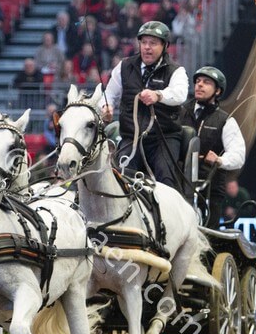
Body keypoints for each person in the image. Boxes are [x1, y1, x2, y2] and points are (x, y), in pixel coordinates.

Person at [100, 21, 189, 192]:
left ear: (165, 46)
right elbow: (109, 94)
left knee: (165, 176)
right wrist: (106, 107)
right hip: (131, 137)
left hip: (163, 138)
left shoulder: (176, 70)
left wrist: (159, 95)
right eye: (144, 42)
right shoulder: (124, 66)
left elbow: (180, 94)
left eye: (153, 43)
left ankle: (166, 209)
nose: (147, 47)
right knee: (121, 177)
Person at [179, 66, 246, 227]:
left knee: (208, 237)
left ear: (217, 91)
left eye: (206, 82)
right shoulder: (179, 113)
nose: (200, 85)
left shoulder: (226, 121)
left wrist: (220, 160)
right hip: (179, 186)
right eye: (197, 81)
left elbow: (239, 155)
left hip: (210, 191)